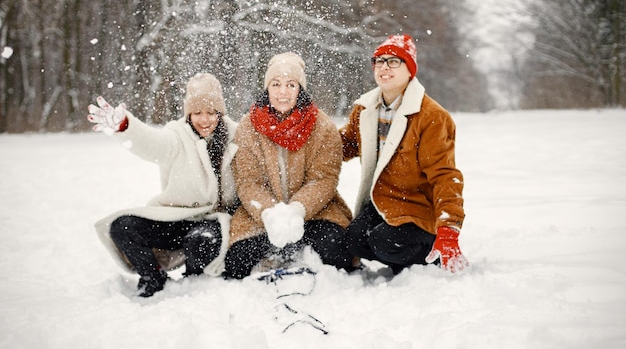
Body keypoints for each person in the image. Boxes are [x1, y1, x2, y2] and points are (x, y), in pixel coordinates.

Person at [87, 73, 239, 297]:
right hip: (175, 220)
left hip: (214, 220)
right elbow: (152, 144)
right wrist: (125, 126)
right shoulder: (177, 136)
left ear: (220, 112)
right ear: (188, 114)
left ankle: (196, 283)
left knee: (199, 240)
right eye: (197, 113)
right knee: (122, 227)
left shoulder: (236, 136)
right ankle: (154, 277)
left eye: (211, 112)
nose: (204, 120)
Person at [339, 34, 468, 274]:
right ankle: (399, 255)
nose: (384, 67)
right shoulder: (365, 109)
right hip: (382, 202)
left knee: (386, 242)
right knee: (354, 240)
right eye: (379, 61)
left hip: (417, 207)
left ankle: (428, 256)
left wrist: (449, 227)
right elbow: (345, 145)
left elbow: (445, 175)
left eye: (394, 61)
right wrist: (307, 139)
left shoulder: (431, 116)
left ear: (410, 70)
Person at [224, 52, 354, 279]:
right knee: (237, 261)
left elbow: (324, 179)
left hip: (315, 213)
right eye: (276, 84)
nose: (283, 92)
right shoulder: (247, 127)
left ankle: (299, 251)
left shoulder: (322, 126)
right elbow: (248, 182)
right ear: (267, 88)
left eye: (290, 85)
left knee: (338, 252)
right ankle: (279, 249)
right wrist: (269, 213)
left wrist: (297, 210)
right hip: (261, 216)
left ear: (300, 89)